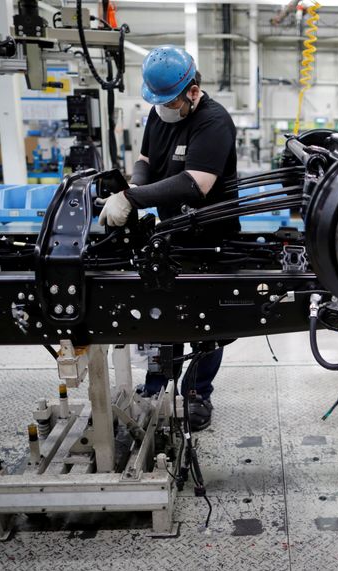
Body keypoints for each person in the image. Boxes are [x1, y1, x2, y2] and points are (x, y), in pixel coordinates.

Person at [100, 45, 238, 431]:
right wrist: (131, 188)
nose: (164, 108)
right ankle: (156, 386)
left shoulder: (214, 121)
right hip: (169, 234)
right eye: (158, 102)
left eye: (171, 101)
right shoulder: (160, 113)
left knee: (207, 324)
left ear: (193, 91)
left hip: (211, 236)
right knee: (162, 316)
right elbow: (145, 162)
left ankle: (196, 392)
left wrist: (132, 198)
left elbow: (197, 184)